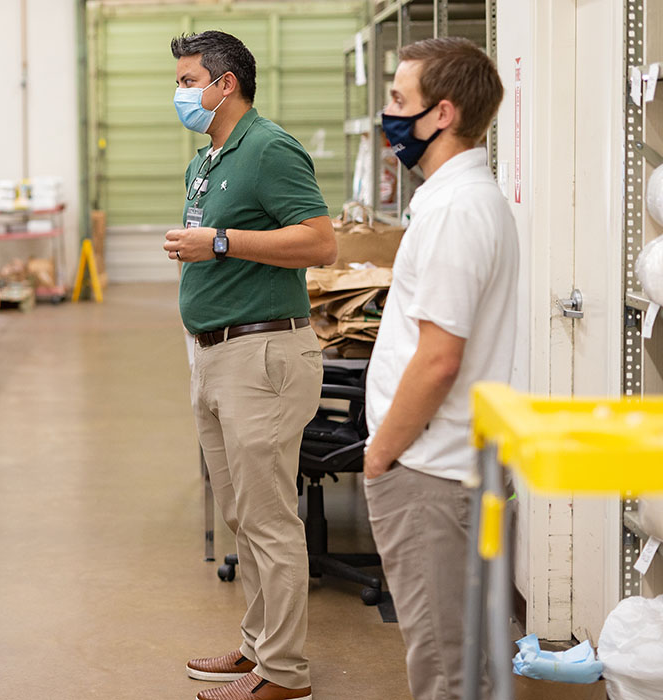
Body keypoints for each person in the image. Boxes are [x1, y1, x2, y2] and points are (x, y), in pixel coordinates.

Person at [163, 31, 336, 700]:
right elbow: (214, 245)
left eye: (187, 80)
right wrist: (201, 249)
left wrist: (224, 242)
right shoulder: (206, 159)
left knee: (269, 521)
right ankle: (258, 646)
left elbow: (319, 241)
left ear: (225, 83)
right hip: (212, 355)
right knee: (241, 517)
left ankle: (285, 674)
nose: (180, 93)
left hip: (261, 356)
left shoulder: (268, 147)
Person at [363, 37, 514, 700]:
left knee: (446, 666)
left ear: (443, 113)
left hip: (429, 468)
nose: (387, 113)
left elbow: (439, 359)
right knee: (457, 651)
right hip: (442, 461)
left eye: (400, 100)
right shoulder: (456, 201)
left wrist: (380, 454)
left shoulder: (456, 210)